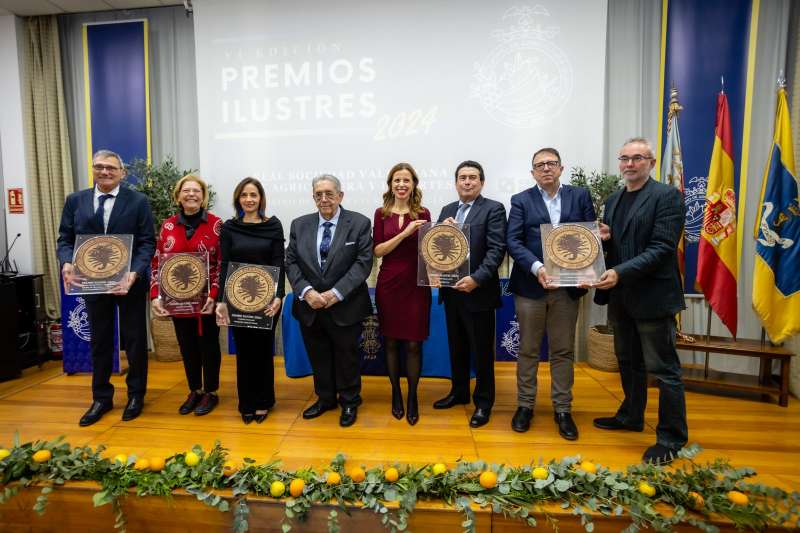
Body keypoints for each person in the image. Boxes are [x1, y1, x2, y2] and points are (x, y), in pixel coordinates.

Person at [591, 137, 688, 465]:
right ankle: (632, 416)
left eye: (637, 158)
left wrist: (619, 272)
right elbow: (624, 244)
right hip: (622, 298)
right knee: (628, 361)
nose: (630, 164)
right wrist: (606, 239)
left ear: (651, 163)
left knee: (663, 369)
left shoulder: (668, 196)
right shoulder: (615, 199)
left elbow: (661, 248)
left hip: (653, 296)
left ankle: (671, 438)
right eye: (624, 159)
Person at [57, 149, 156, 426]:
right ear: (93, 169)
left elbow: (148, 241)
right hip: (92, 284)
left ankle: (136, 394)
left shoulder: (138, 201)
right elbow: (65, 238)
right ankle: (101, 397)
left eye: (111, 168)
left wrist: (134, 273)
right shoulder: (75, 201)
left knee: (134, 340)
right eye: (99, 167)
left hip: (129, 284)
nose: (105, 172)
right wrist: (67, 262)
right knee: (100, 340)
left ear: (122, 172)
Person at [506, 148, 596, 440]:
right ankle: (525, 406)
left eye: (551, 164)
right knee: (529, 350)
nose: (546, 168)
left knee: (562, 350)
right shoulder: (520, 200)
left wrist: (587, 273)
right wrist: (537, 267)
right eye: (539, 165)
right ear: (533, 172)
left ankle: (562, 409)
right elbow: (513, 241)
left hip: (568, 289)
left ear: (560, 168)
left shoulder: (579, 196)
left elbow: (590, 237)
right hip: (532, 286)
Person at [285, 174, 372, 427]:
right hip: (310, 305)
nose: (324, 199)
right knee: (318, 355)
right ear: (313, 197)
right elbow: (291, 261)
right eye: (318, 194)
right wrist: (306, 291)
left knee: (347, 357)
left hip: (345, 305)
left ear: (340, 196)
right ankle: (325, 399)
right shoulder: (299, 224)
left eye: (329, 193)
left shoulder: (359, 223)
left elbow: (363, 263)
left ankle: (349, 401)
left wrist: (335, 293)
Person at [433, 161, 506, 428]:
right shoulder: (447, 210)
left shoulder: (494, 209)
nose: (467, 182)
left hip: (478, 293)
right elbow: (438, 247)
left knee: (482, 351)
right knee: (458, 347)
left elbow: (496, 250)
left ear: (481, 182)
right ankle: (459, 392)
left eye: (472, 178)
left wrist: (476, 279)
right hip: (452, 292)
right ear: (455, 183)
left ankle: (484, 403)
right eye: (462, 177)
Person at [150, 175, 222, 417]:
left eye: (196, 191)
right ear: (178, 196)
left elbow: (222, 264)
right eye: (186, 190)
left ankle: (211, 391)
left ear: (203, 196)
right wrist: (155, 296)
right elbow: (157, 263)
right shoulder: (168, 225)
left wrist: (214, 294)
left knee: (210, 346)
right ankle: (194, 389)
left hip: (208, 301)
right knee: (187, 346)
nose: (191, 194)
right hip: (177, 301)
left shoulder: (216, 224)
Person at [215, 177, 285, 424]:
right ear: (238, 199)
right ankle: (246, 401)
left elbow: (279, 262)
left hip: (267, 302)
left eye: (253, 195)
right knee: (244, 352)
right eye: (244, 195)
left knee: (264, 351)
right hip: (237, 299)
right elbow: (225, 265)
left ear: (261, 199)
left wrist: (279, 297)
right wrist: (221, 300)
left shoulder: (273, 226)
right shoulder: (230, 227)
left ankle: (264, 401)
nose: (249, 199)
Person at [373, 163, 431, 426]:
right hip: (389, 284)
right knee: (393, 342)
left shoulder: (423, 212)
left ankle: (412, 397)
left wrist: (448, 231)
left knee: (413, 344)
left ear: (413, 184)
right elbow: (378, 251)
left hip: (416, 285)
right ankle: (396, 393)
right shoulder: (380, 213)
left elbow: (430, 248)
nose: (402, 185)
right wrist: (406, 232)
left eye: (406, 180)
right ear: (391, 184)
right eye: (397, 180)